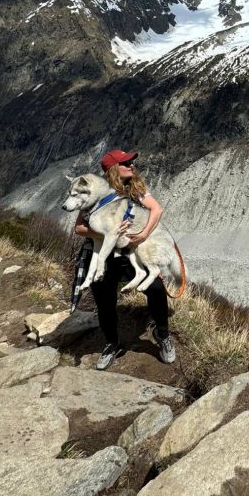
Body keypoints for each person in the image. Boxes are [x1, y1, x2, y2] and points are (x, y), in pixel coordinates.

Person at [74, 148, 176, 369]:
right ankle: (111, 343)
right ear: (113, 169)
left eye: (131, 162)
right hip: (106, 255)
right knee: (104, 300)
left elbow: (156, 210)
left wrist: (143, 234)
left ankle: (162, 334)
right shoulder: (95, 193)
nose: (131, 165)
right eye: (126, 163)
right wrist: (108, 232)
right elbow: (79, 228)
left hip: (132, 251)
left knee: (157, 289)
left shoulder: (136, 187)